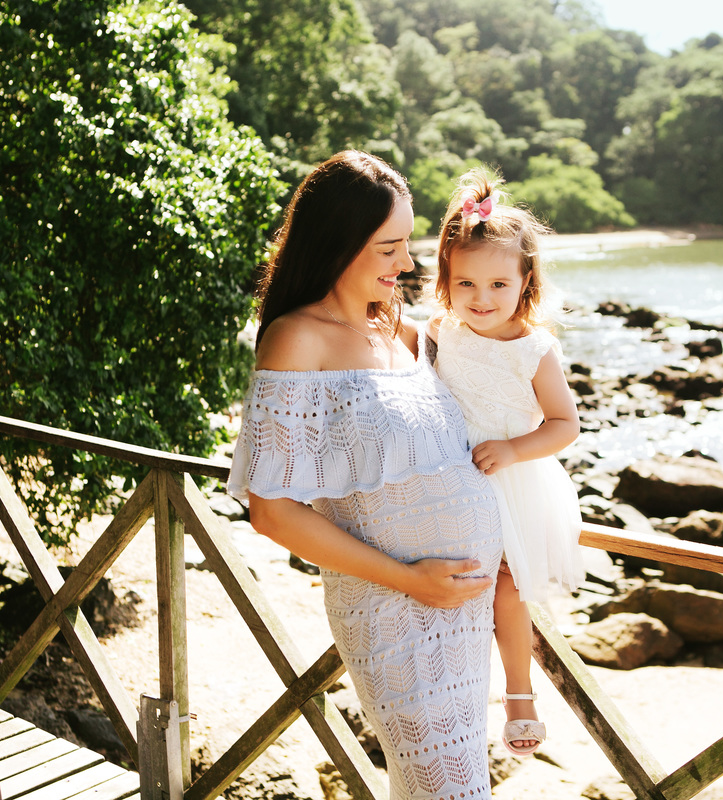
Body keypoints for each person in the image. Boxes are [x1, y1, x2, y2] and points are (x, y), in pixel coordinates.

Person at [226, 151, 504, 800]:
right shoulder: (298, 339)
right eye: (388, 248)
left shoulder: (406, 332)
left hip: (463, 611)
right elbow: (272, 512)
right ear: (338, 243)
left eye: (407, 243)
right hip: (394, 607)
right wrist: (411, 580)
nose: (405, 263)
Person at [428, 167, 583, 756]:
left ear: (526, 281)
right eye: (465, 283)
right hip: (452, 480)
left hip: (514, 481)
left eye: (498, 284)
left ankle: (520, 694)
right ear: (446, 281)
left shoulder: (534, 350)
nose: (481, 298)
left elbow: (565, 424)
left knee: (507, 589)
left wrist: (515, 448)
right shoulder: (443, 330)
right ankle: (451, 692)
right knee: (452, 584)